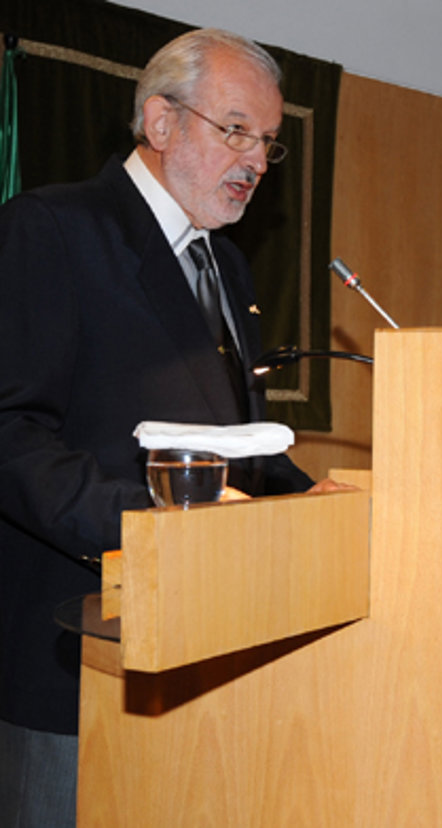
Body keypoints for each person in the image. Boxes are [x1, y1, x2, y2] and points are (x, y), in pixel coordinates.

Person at [0, 29, 346, 825]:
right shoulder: (53, 227)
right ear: (160, 123)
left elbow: (229, 440)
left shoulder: (225, 263)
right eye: (236, 130)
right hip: (73, 653)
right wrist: (153, 522)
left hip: (200, 645)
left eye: (267, 142)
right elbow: (10, 433)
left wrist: (308, 503)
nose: (256, 161)